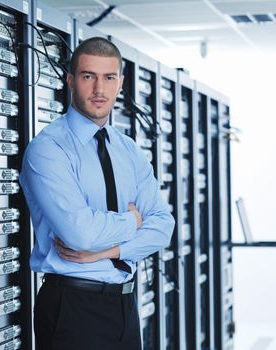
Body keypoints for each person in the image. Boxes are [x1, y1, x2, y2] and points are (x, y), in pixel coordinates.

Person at [19, 36, 175, 350]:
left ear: (120, 82)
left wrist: (107, 252)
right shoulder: (48, 149)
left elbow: (163, 228)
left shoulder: (128, 150)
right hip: (72, 308)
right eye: (88, 76)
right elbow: (80, 234)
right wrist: (132, 221)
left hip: (124, 305)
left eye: (108, 78)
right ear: (71, 81)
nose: (99, 89)